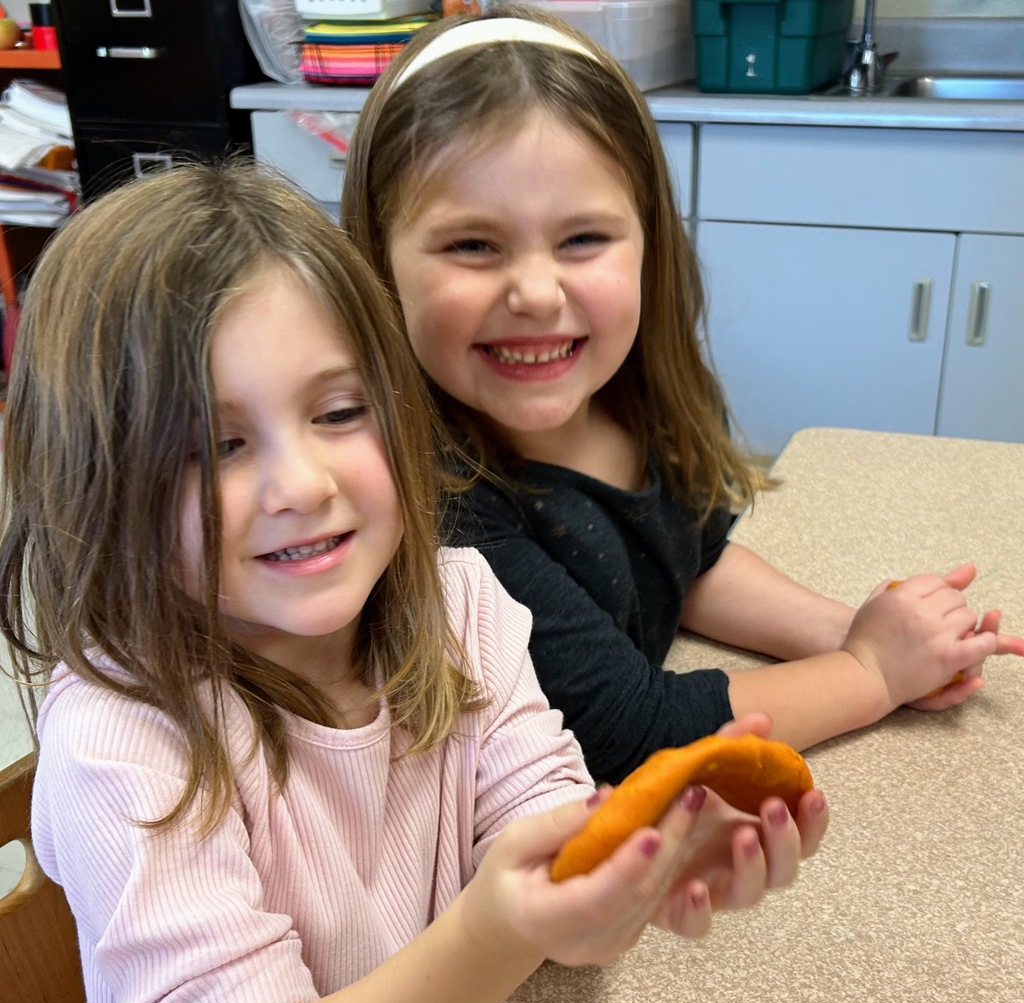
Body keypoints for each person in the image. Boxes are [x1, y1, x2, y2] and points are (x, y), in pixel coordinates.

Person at [0, 162, 828, 1003]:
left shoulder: (464, 605)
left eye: (340, 412)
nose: (303, 484)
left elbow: (548, 872)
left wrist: (637, 869)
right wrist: (491, 936)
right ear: (94, 486)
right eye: (213, 446)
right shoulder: (124, 741)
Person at [340, 5, 1024, 785]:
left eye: (582, 239)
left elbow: (688, 562)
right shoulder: (443, 510)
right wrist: (871, 671)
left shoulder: (635, 402)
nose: (535, 292)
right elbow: (634, 735)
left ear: (649, 244)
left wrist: (851, 632)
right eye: (472, 245)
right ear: (377, 265)